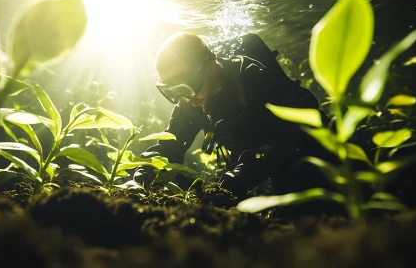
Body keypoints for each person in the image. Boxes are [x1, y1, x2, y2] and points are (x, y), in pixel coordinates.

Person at [135, 32, 335, 198]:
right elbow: (172, 142)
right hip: (259, 162)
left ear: (210, 66)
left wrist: (243, 173)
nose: (183, 98)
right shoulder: (191, 100)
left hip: (311, 154)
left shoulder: (252, 79)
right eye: (171, 91)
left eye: (184, 85)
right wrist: (145, 167)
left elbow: (290, 136)